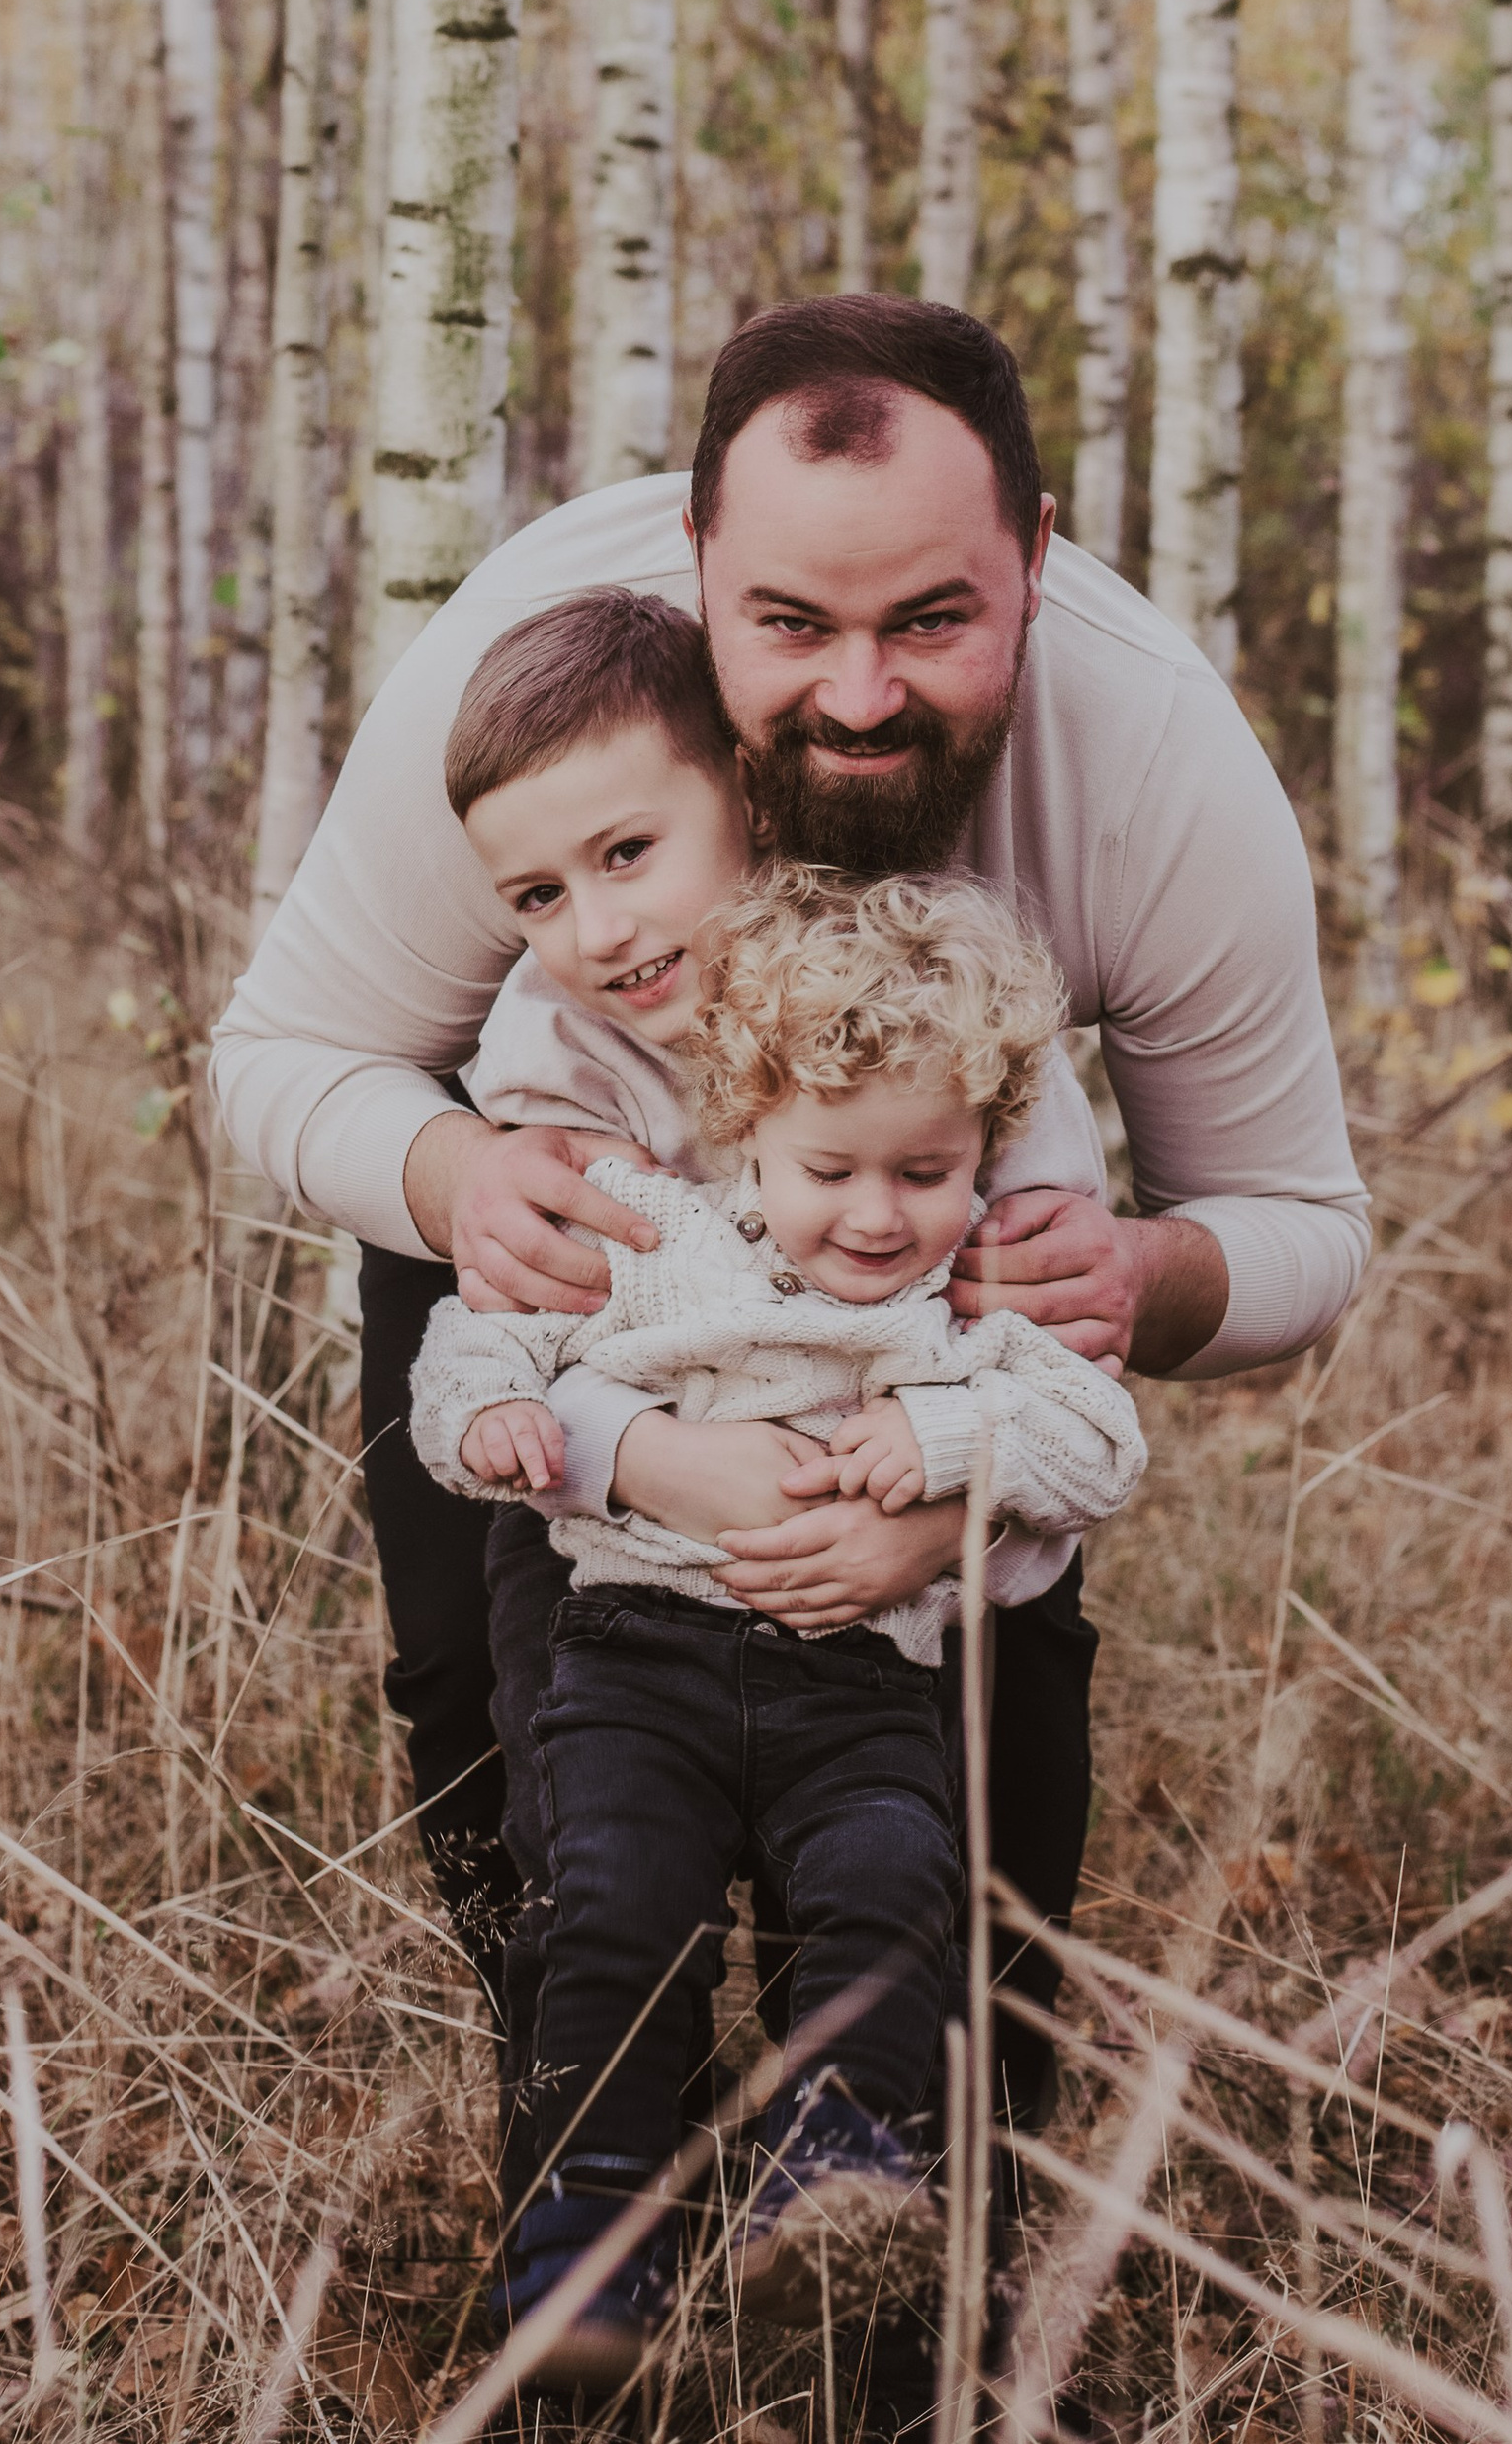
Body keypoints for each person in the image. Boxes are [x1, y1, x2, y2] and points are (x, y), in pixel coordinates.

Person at [210, 295, 1368, 2101]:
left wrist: (1146, 1272)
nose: (858, 694)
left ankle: (912, 2191)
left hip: (928, 1312)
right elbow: (282, 1052)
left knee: (984, 1794)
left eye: (931, 619)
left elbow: (1303, 1219)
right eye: (791, 623)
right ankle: (601, 2147)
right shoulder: (533, 689)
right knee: (484, 1707)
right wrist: (455, 1174)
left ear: (1035, 561)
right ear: (694, 564)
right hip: (566, 1248)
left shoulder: (1155, 767)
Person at [406, 866, 1147, 2386]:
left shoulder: (972, 1313)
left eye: (925, 1172)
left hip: (860, 1696)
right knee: (614, 1910)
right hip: (638, 1667)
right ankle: (586, 2253)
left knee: (892, 1900)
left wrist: (948, 1439)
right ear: (749, 1124)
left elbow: (1103, 1448)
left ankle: (831, 2194)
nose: (877, 1215)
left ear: (985, 1150)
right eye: (831, 1168)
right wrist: (490, 1418)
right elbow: (475, 1337)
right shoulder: (657, 1242)